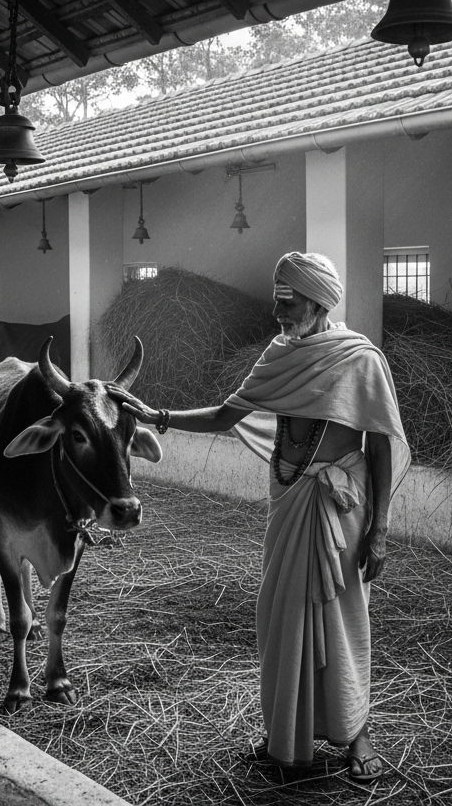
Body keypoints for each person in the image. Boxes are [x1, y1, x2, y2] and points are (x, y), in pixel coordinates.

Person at [112, 252, 410, 782]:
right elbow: (227, 414)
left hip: (339, 508)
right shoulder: (278, 354)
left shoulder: (359, 360)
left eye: (287, 301)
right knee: (281, 618)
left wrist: (380, 528)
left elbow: (381, 444)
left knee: (342, 618)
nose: (277, 311)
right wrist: (157, 415)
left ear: (317, 301)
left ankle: (357, 733)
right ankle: (285, 736)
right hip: (288, 502)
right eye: (276, 299)